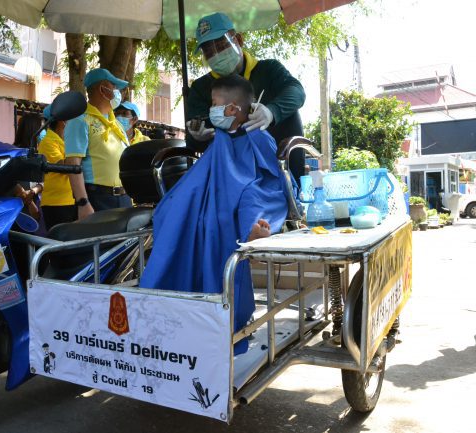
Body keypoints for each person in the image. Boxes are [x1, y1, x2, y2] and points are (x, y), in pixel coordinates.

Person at [140, 75, 289, 354]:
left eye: (214, 104)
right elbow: (205, 174)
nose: (211, 110)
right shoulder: (219, 138)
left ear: (231, 109)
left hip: (248, 188)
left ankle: (253, 230)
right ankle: (171, 302)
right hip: (213, 191)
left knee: (248, 200)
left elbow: (271, 179)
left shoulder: (258, 137)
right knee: (174, 208)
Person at [185, 12, 305, 153]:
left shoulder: (269, 69)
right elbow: (193, 138)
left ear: (239, 40)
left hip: (278, 158)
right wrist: (198, 137)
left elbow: (297, 92)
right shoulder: (200, 88)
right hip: (229, 163)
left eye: (221, 46)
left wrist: (272, 111)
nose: (216, 55)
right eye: (209, 52)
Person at [64, 68, 131, 218]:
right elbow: (73, 163)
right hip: (98, 199)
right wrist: (83, 202)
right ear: (103, 89)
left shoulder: (116, 124)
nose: (118, 92)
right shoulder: (80, 121)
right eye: (114, 87)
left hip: (123, 198)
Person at [38, 104, 76, 230]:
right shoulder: (48, 142)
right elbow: (62, 166)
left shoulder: (64, 141)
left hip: (70, 200)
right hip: (57, 203)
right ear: (62, 121)